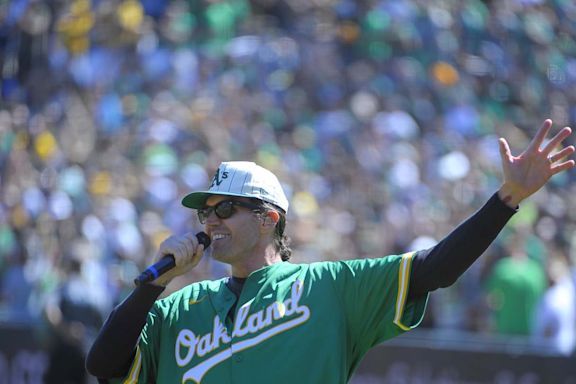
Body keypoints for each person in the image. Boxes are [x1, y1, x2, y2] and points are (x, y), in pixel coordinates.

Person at [86, 119, 575, 383]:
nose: (211, 221)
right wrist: (154, 283)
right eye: (205, 213)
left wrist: (505, 200)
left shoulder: (329, 289)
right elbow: (102, 365)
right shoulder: (175, 307)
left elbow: (435, 270)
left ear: (268, 218)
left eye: (226, 209)